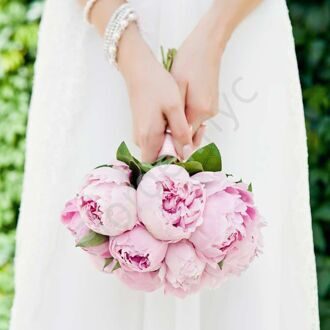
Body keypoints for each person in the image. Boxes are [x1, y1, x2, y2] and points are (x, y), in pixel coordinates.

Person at [9, 0, 319, 329]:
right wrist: (129, 52)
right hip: (96, 38)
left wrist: (213, 36)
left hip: (240, 33)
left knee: (241, 287)